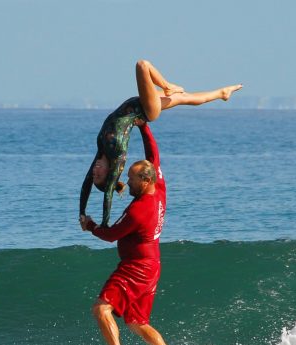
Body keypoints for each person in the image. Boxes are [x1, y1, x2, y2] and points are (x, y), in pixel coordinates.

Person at [80, 59, 242, 226]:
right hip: (146, 108)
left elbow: (86, 185)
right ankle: (167, 86)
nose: (95, 170)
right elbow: (108, 194)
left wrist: (82, 213)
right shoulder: (117, 156)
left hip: (139, 103)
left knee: (186, 98)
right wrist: (105, 224)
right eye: (99, 174)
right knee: (142, 65)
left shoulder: (101, 150)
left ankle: (222, 93)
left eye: (95, 174)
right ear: (110, 174)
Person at [79, 120, 171, 345]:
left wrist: (91, 226)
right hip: (152, 266)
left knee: (101, 309)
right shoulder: (159, 188)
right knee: (136, 321)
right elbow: (154, 155)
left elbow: (111, 235)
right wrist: (143, 127)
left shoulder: (140, 211)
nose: (126, 182)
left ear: (145, 180)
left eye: (130, 179)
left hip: (136, 268)